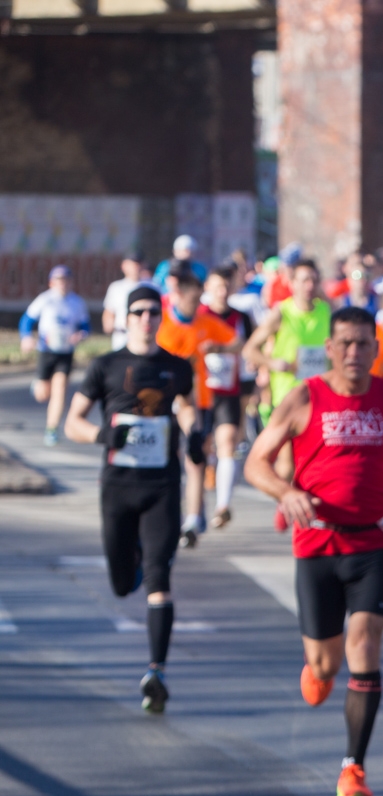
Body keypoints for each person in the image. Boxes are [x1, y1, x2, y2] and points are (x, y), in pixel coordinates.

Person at [243, 306, 383, 796]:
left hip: (376, 541)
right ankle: (319, 668)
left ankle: (353, 769)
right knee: (325, 660)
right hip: (317, 541)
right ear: (330, 349)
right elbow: (255, 463)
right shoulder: (303, 397)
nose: (354, 352)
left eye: (363, 344)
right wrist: (285, 492)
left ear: (376, 349)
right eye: (346, 344)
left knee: (365, 644)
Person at [62, 285, 195, 714]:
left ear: (161, 317)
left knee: (160, 576)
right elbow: (72, 423)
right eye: (138, 312)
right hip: (118, 487)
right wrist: (102, 435)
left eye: (153, 311)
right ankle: (132, 562)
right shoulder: (105, 366)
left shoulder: (177, 367)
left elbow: (187, 407)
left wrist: (195, 432)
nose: (146, 319)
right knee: (122, 584)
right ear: (125, 317)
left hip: (162, 487)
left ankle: (157, 673)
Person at [156, 267, 243, 546]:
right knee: (167, 460)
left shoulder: (206, 322)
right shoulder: (162, 324)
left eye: (198, 300)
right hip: (165, 402)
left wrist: (218, 349)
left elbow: (237, 341)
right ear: (178, 295)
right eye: (192, 300)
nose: (196, 306)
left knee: (195, 457)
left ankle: (193, 519)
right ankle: (171, 513)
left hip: (199, 402)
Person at [199, 267, 255, 526]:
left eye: (226, 286)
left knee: (228, 443)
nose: (222, 292)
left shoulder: (241, 317)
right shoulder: (199, 315)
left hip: (229, 391)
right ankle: (197, 505)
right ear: (207, 288)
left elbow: (250, 348)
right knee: (201, 448)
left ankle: (222, 506)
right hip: (201, 392)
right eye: (217, 286)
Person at [243, 259, 332, 418]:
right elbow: (249, 350)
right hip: (288, 395)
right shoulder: (282, 312)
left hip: (320, 394)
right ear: (292, 284)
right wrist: (272, 363)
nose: (310, 286)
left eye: (314, 280)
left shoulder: (326, 311)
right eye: (305, 280)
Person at [22, 264, 91, 446]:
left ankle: (52, 428)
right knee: (42, 394)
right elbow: (26, 320)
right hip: (46, 351)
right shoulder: (45, 300)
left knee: (59, 390)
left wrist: (81, 334)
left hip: (65, 352)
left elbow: (85, 326)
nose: (63, 284)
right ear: (51, 283)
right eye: (59, 280)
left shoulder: (77, 302)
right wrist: (26, 337)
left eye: (66, 280)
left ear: (71, 282)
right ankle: (38, 384)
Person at [102, 253, 149, 349]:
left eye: (138, 264)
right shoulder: (116, 287)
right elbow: (109, 311)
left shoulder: (151, 286)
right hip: (121, 336)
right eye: (133, 264)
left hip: (144, 336)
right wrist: (108, 324)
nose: (136, 267)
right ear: (124, 265)